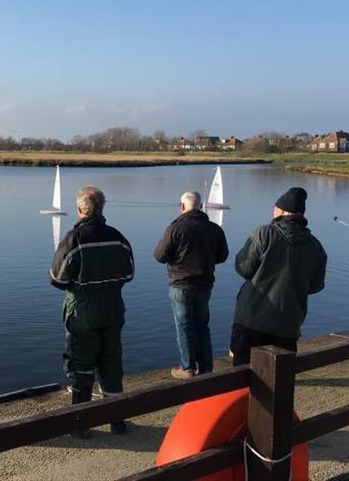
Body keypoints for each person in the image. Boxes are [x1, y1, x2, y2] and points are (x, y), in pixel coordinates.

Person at [49, 186, 134, 435]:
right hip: (113, 309)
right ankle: (116, 421)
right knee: (111, 361)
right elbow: (129, 274)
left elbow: (58, 278)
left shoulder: (75, 238)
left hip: (82, 312)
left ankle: (80, 424)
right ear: (102, 208)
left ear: (80, 209)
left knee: (80, 364)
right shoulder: (118, 237)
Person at [230, 187, 327, 365]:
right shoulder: (316, 246)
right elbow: (316, 286)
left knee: (242, 374)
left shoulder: (264, 234)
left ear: (281, 211)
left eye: (274, 208)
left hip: (252, 319)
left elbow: (244, 268)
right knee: (281, 376)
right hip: (289, 324)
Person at [153, 191, 229, 378]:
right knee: (203, 325)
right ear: (201, 206)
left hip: (180, 285)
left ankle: (187, 368)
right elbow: (223, 256)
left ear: (181, 207)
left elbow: (159, 256)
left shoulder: (176, 228)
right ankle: (206, 367)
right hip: (204, 285)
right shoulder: (215, 229)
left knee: (184, 326)